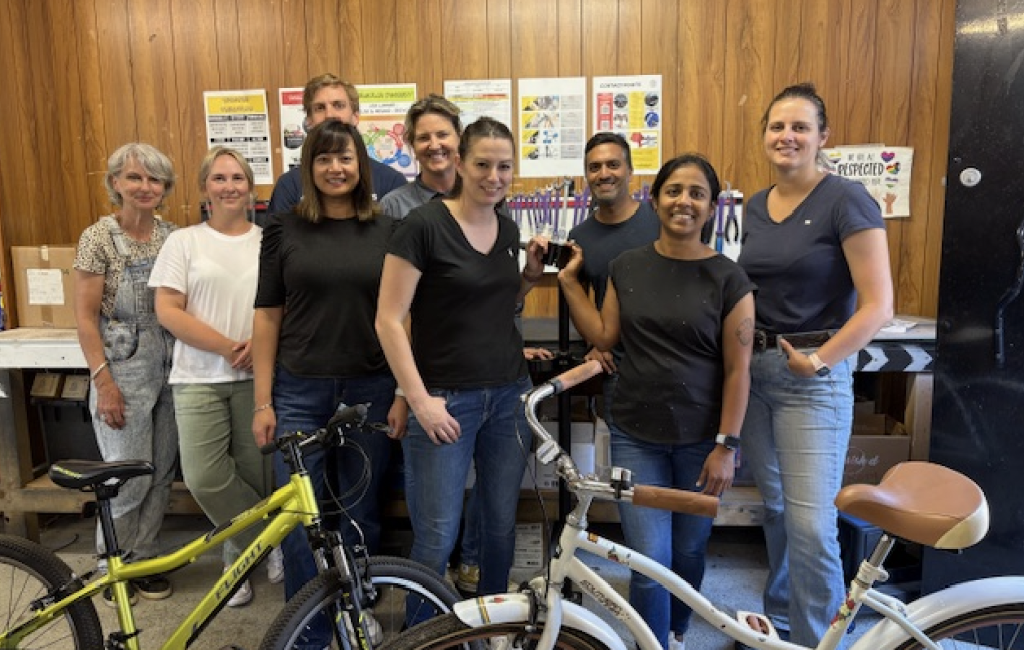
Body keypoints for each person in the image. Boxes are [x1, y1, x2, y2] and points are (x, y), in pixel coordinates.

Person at [559, 153, 755, 650]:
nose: (683, 202)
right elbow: (604, 336)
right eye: (673, 191)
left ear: (711, 208)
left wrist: (727, 446)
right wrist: (567, 282)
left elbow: (739, 370)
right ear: (655, 198)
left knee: (689, 551)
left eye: (696, 193)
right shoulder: (627, 266)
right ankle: (654, 645)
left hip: (702, 440)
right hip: (634, 433)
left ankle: (678, 630)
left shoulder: (729, 279)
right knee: (647, 560)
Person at [737, 82, 894, 646]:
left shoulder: (847, 199)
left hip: (813, 377)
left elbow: (879, 305)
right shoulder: (755, 205)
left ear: (822, 137)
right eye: (777, 126)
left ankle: (817, 641)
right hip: (757, 375)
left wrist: (820, 360)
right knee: (776, 508)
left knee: (810, 523)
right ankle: (780, 619)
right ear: (764, 136)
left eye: (800, 127)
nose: (787, 136)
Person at [376, 117, 546, 600]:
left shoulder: (508, 225)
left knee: (498, 526)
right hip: (444, 399)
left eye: (504, 167)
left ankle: (493, 621)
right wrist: (418, 400)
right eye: (483, 164)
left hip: (508, 394)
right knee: (436, 536)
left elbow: (497, 307)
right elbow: (388, 320)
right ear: (459, 163)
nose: (494, 176)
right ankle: (422, 634)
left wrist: (529, 279)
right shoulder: (421, 226)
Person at [252, 119, 403, 645]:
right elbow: (268, 315)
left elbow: (403, 316)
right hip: (298, 390)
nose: (335, 168)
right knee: (301, 514)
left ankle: (355, 611)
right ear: (308, 167)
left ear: (361, 166)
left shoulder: (387, 230)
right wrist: (262, 401)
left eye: (345, 158)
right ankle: (309, 628)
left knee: (359, 509)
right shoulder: (284, 228)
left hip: (370, 387)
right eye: (324, 159)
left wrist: (404, 392)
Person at [149, 147, 273, 608]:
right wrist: (227, 347)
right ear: (205, 188)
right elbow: (167, 310)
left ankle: (236, 564)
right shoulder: (183, 242)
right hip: (198, 375)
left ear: (250, 187)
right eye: (219, 178)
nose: (229, 186)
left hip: (256, 378)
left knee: (254, 476)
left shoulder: (268, 240)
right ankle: (269, 543)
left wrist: (255, 350)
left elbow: (280, 309)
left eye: (238, 177)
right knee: (204, 477)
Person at [73, 142, 179, 605]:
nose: (145, 187)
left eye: (154, 179)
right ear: (115, 182)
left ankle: (145, 558)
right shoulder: (97, 238)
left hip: (171, 367)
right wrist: (104, 384)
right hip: (123, 368)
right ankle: (110, 566)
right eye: (134, 177)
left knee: (158, 474)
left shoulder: (172, 236)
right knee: (124, 479)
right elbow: (83, 317)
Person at [568, 133, 660, 426]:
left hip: (669, 365)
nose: (604, 174)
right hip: (618, 372)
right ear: (586, 176)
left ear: (630, 171)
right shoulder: (580, 237)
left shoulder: (660, 222)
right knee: (626, 467)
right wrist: (594, 343)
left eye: (613, 164)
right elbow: (579, 301)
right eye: (594, 167)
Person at [266, 73, 407, 220]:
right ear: (309, 121)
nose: (329, 115)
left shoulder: (391, 181)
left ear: (355, 116)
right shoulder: (289, 185)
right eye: (320, 108)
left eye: (338, 105)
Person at [379, 93, 461, 220]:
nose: (434, 146)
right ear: (412, 145)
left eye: (442, 135)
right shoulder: (393, 206)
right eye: (424, 138)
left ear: (459, 138)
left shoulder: (481, 197)